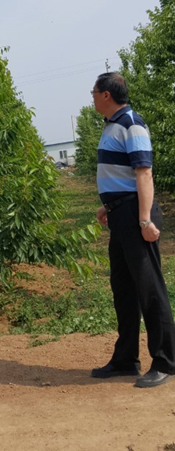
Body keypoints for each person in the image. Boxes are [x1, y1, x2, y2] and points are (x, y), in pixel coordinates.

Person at [90, 72, 175, 388]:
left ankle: (166, 361)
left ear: (106, 95)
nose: (92, 96)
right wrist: (109, 205)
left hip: (135, 215)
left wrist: (144, 220)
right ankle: (126, 359)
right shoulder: (112, 125)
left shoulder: (131, 124)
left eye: (94, 92)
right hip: (120, 214)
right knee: (123, 289)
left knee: (150, 289)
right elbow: (123, 174)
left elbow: (144, 173)